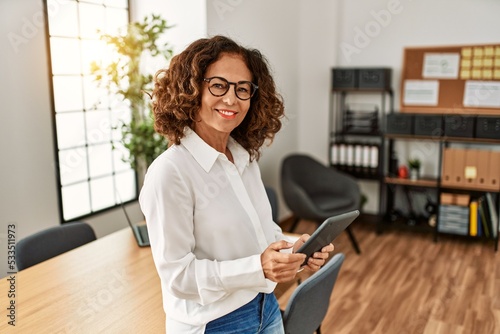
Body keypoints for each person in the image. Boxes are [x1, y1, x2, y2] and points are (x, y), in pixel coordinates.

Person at [139, 35, 334, 334]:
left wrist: (294, 251)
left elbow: (263, 236)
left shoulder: (243, 159)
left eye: (243, 89)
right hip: (215, 323)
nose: (231, 99)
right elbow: (178, 277)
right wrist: (259, 268)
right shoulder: (170, 172)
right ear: (192, 89)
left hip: (265, 307)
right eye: (218, 85)